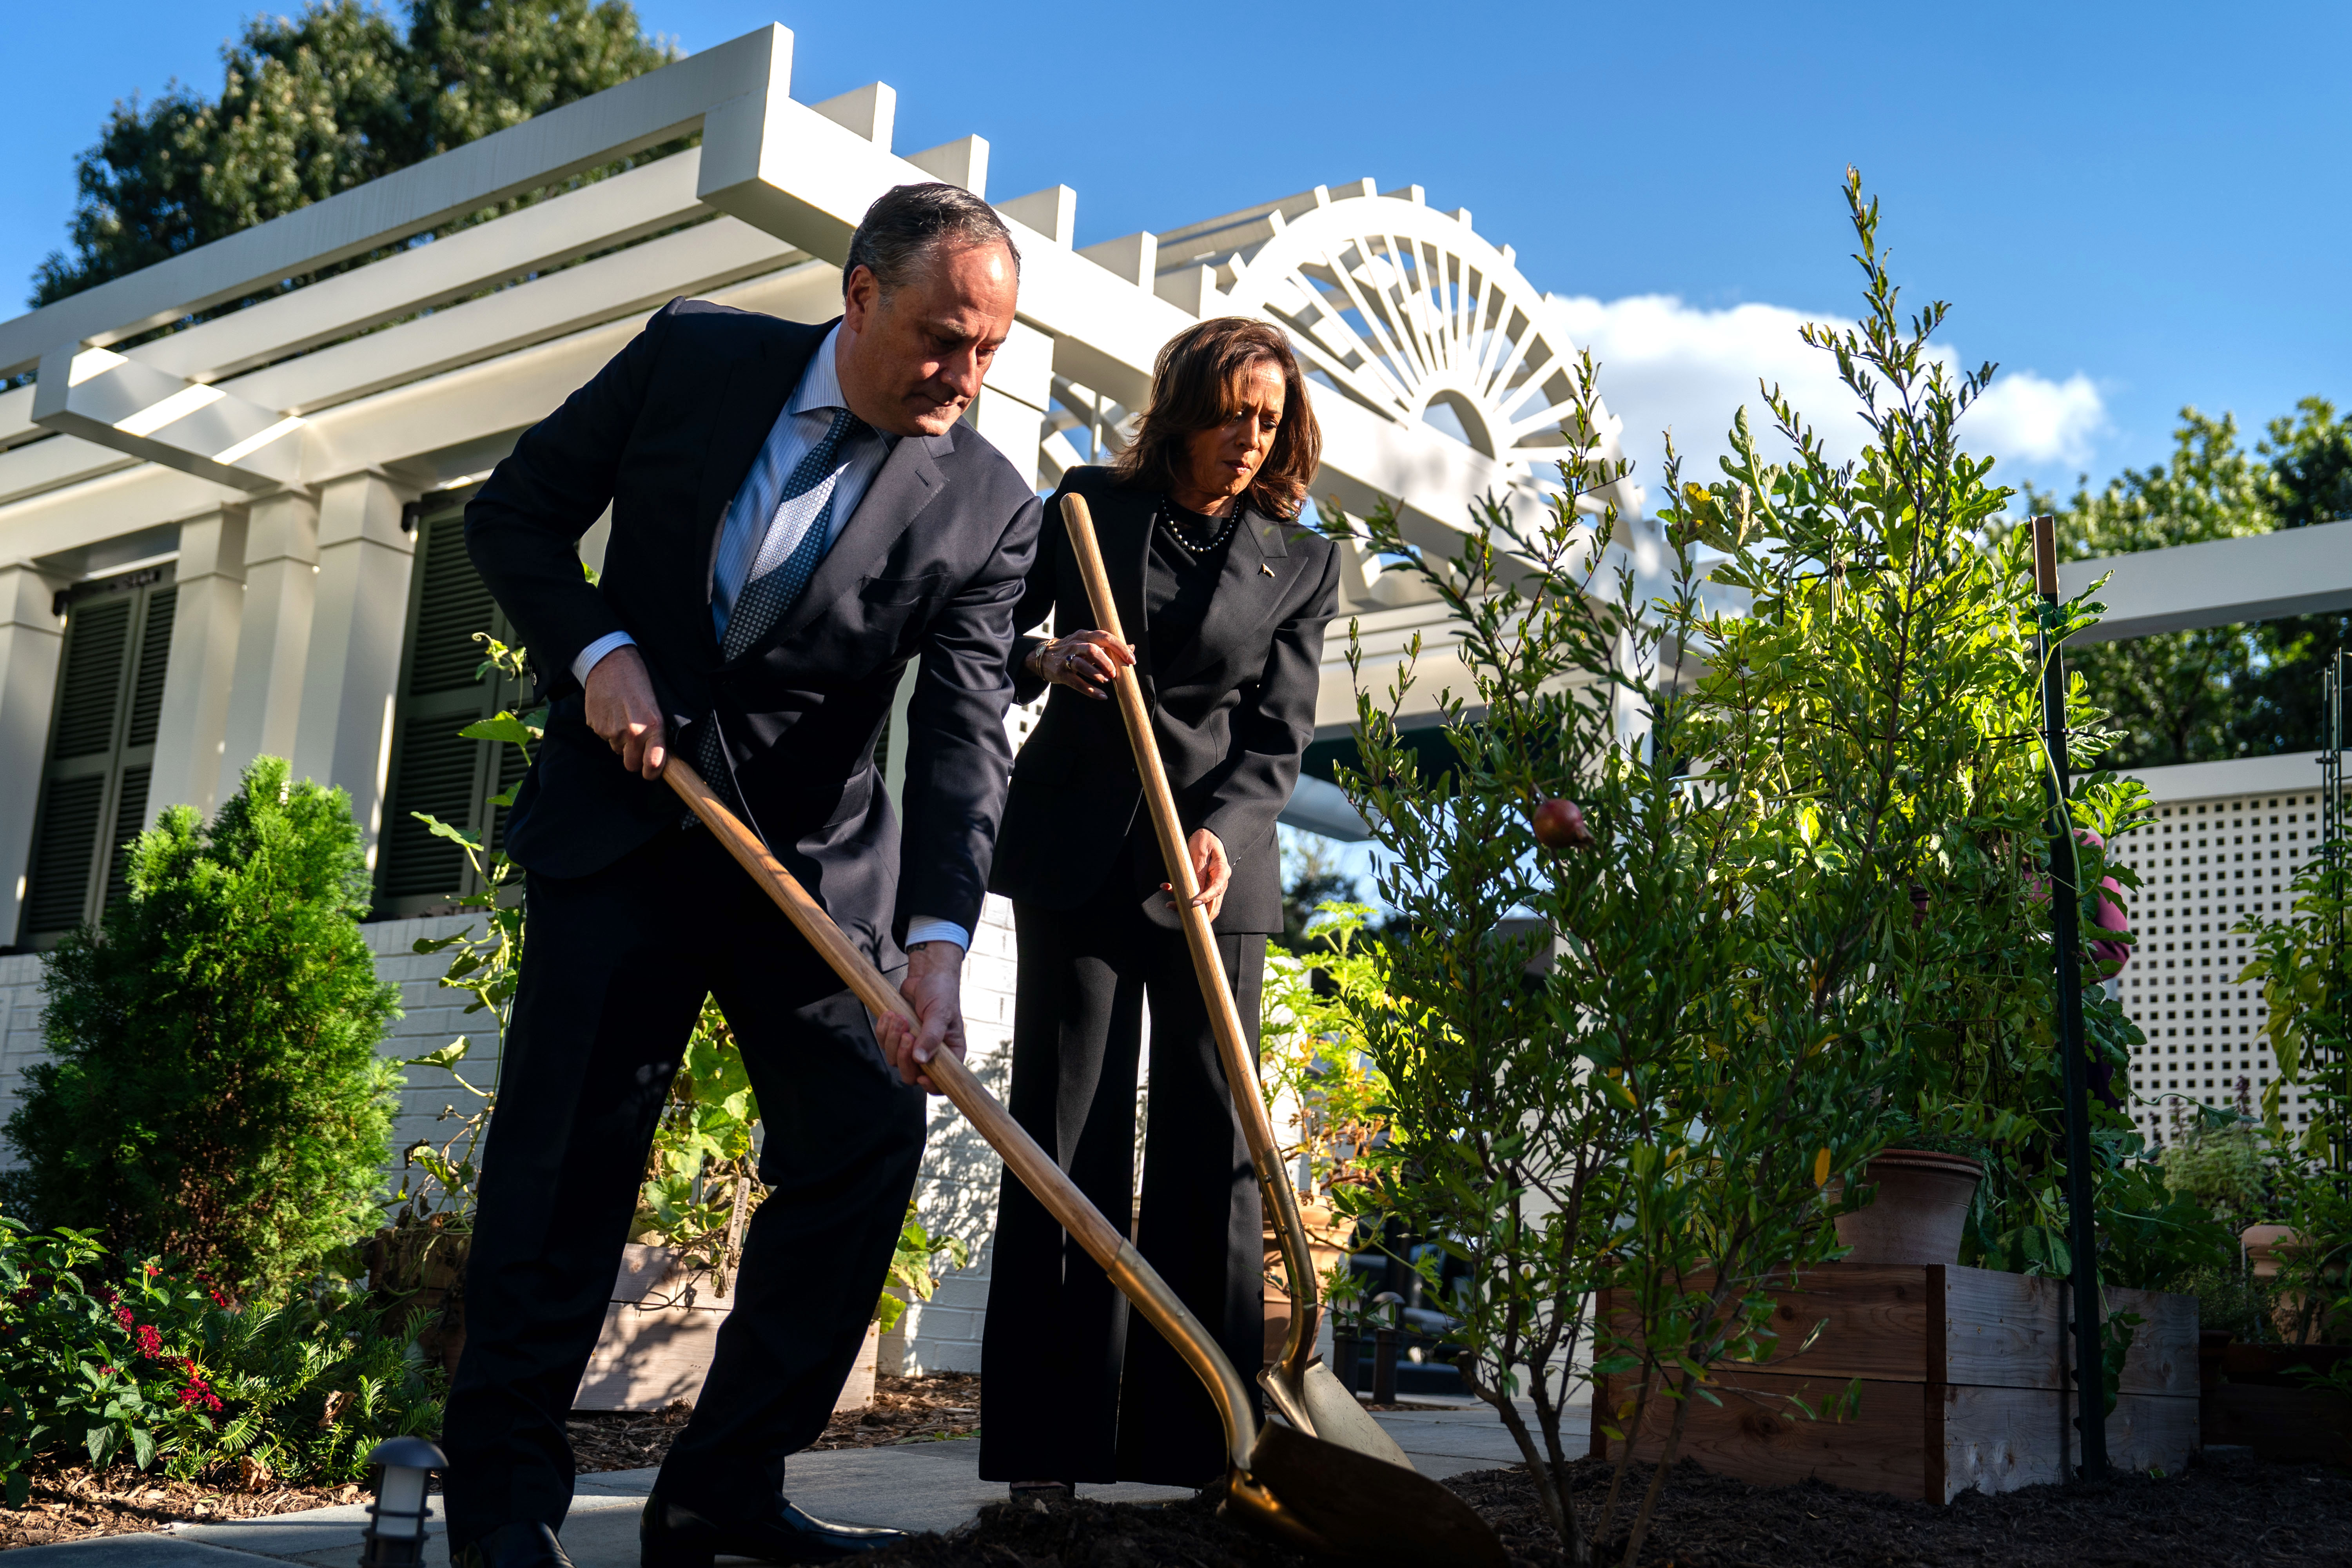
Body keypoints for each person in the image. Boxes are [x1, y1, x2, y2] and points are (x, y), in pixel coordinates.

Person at [449, 183, 1042, 1568]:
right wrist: (600, 657)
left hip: (810, 878)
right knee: (562, 1173)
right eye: (944, 340)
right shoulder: (693, 360)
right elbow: (516, 520)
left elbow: (963, 732)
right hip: (622, 838)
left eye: (990, 352)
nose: (965, 377)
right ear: (859, 295)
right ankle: (501, 1511)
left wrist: (938, 944)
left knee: (864, 1144)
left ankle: (720, 1492)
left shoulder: (986, 506)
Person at [977, 318, 1340, 1494]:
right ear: (1184, 405)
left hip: (1213, 877)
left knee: (1209, 1149)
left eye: (1270, 419)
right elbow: (988, 635)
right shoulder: (1087, 506)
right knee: (1065, 1138)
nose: (1249, 437)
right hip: (1078, 852)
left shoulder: (1301, 560)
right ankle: (1047, 1448)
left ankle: (1204, 1450)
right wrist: (1050, 660)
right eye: (1232, 410)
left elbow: (1280, 740)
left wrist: (1221, 835)